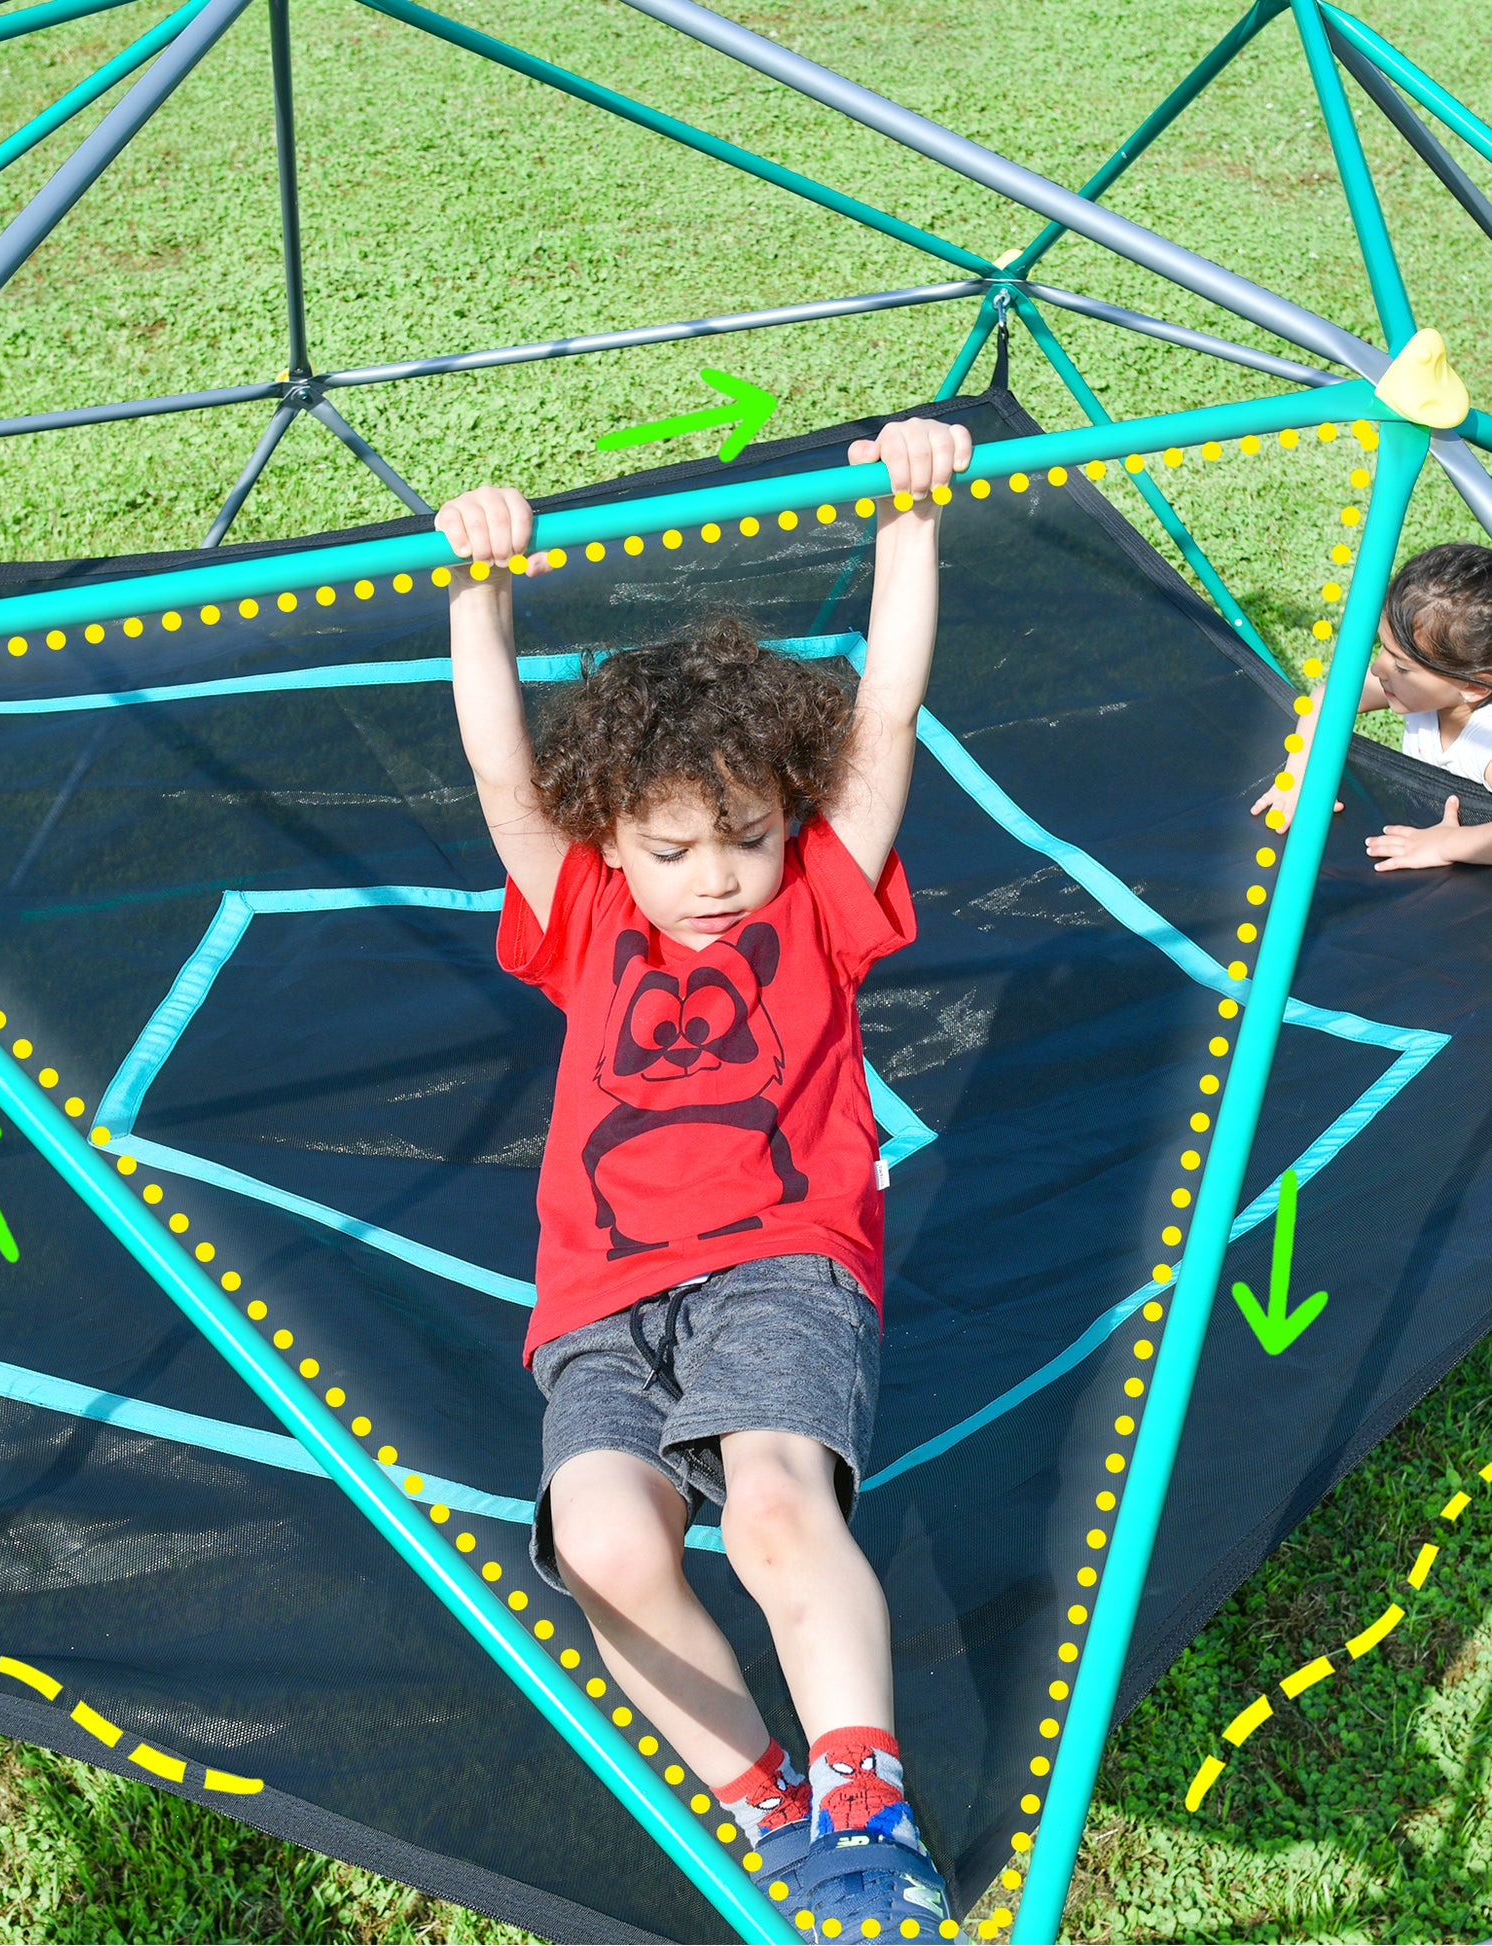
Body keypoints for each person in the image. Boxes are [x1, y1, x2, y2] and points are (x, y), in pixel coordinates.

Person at [436, 415, 971, 1944]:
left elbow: (886, 711)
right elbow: (496, 771)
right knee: (603, 1541)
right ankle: (764, 1798)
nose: (714, 872)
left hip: (782, 1256)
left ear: (791, 816)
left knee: (772, 1511)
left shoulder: (818, 898)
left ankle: (868, 1816)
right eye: (674, 848)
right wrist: (480, 591)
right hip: (600, 1295)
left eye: (742, 833)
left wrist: (907, 522)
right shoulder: (584, 906)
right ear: (615, 835)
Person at [1253, 542, 1492, 869]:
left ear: (1473, 686)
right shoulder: (1437, 690)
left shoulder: (1485, 741)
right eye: (1383, 648)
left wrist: (1446, 845)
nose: (1379, 668)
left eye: (1402, 666)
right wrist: (1299, 776)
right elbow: (1331, 697)